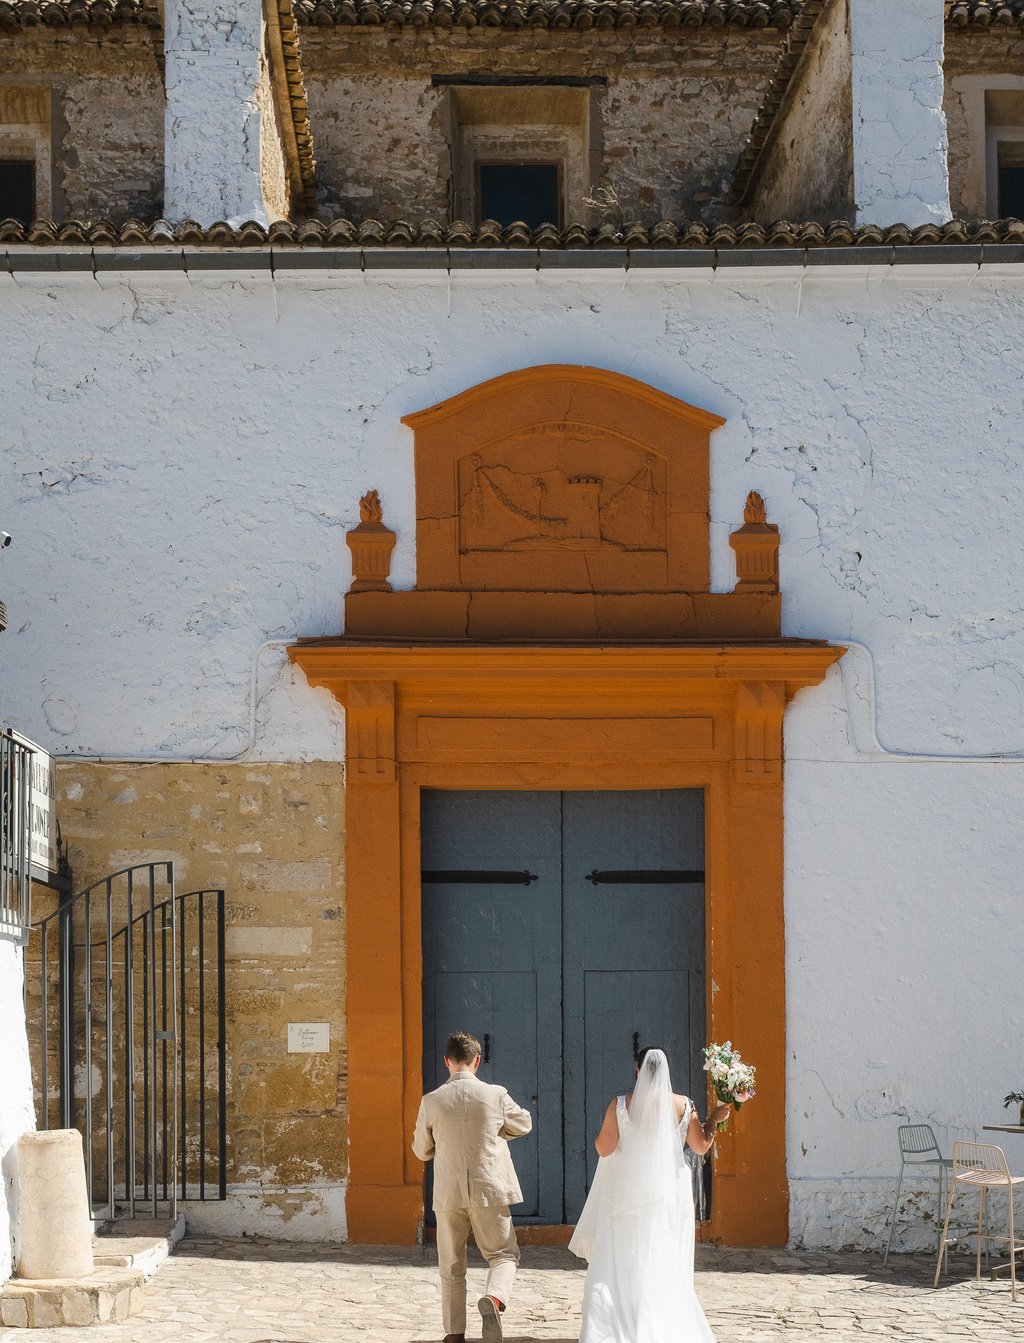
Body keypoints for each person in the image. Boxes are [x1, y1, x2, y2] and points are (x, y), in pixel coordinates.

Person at [569, 1046, 732, 1343]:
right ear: (667, 1073)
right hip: (669, 1195)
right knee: (663, 1255)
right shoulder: (685, 1105)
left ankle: (615, 1324)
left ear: (638, 1072)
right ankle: (661, 1318)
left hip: (626, 1195)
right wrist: (713, 1120)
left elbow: (604, 1149)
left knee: (622, 1259)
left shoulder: (621, 1106)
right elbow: (699, 1147)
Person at [413, 1031, 533, 1343]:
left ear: (446, 1061)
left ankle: (454, 1334)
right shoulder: (496, 1094)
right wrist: (498, 1133)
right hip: (489, 1189)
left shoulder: (432, 1101)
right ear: (477, 1061)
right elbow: (524, 1123)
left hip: (449, 1192)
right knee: (504, 1254)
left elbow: (421, 1150)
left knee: (451, 1265)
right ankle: (493, 1298)